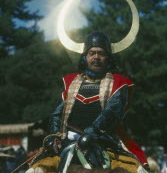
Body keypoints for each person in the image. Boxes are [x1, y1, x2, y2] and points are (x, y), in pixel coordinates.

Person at [27, 32, 149, 173]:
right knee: (37, 169)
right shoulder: (69, 82)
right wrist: (53, 136)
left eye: (101, 53)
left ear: (108, 58)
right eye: (92, 53)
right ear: (85, 57)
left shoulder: (119, 83)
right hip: (67, 140)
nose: (96, 57)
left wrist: (91, 133)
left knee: (137, 170)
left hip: (105, 142)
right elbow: (56, 113)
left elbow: (112, 114)